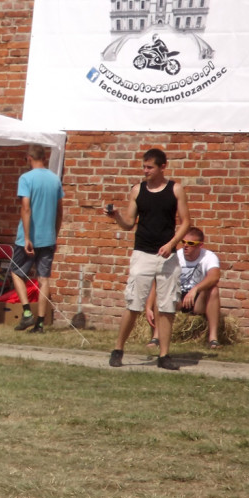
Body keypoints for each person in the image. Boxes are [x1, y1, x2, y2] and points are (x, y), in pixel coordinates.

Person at [105, 148, 191, 371]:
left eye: (150, 167)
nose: (145, 171)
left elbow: (185, 223)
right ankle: (118, 349)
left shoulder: (176, 189)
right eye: (144, 166)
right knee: (133, 303)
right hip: (142, 253)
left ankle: (164, 355)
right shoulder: (137, 190)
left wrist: (171, 244)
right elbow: (129, 223)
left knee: (167, 307)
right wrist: (117, 217)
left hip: (168, 256)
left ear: (163, 167)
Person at [10, 145, 64, 334]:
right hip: (48, 237)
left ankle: (26, 313)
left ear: (28, 158)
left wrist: (26, 237)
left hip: (29, 237)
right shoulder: (55, 179)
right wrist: (54, 235)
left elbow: (26, 207)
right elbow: (60, 211)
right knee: (43, 279)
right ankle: (40, 323)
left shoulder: (26, 178)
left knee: (16, 273)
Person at [145, 227, 222, 349]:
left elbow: (215, 276)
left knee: (213, 290)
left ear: (200, 245)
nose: (186, 246)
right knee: (163, 288)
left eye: (191, 243)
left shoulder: (209, 256)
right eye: (183, 242)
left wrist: (195, 289)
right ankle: (156, 337)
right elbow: (157, 281)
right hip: (177, 297)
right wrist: (148, 307)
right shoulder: (175, 256)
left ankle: (213, 339)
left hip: (197, 299)